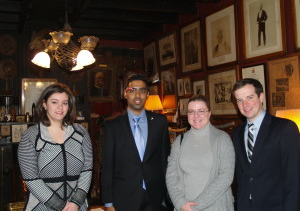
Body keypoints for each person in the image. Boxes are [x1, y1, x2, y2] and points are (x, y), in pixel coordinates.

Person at [18, 83, 93, 211]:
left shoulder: (81, 132)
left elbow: (87, 170)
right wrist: (61, 206)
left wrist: (76, 202)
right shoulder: (30, 136)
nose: (60, 107)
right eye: (54, 102)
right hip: (41, 206)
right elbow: (31, 178)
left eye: (64, 103)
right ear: (44, 104)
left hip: (77, 207)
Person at [102, 74, 170, 211]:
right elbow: (108, 166)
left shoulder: (160, 122)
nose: (137, 95)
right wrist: (108, 203)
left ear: (147, 95)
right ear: (125, 94)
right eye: (132, 90)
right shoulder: (112, 125)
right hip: (124, 197)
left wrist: (167, 195)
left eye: (142, 90)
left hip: (155, 196)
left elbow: (165, 160)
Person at [231, 78, 300, 211]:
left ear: (261, 97)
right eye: (239, 100)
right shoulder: (237, 133)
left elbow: (294, 178)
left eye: (249, 97)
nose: (245, 104)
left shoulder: (285, 128)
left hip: (276, 206)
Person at [166, 95, 235, 211]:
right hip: (184, 207)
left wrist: (196, 206)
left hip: (215, 206)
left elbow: (225, 177)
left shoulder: (222, 139)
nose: (196, 116)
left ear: (209, 113)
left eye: (201, 111)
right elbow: (171, 175)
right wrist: (181, 203)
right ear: (187, 115)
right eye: (191, 111)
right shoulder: (180, 141)